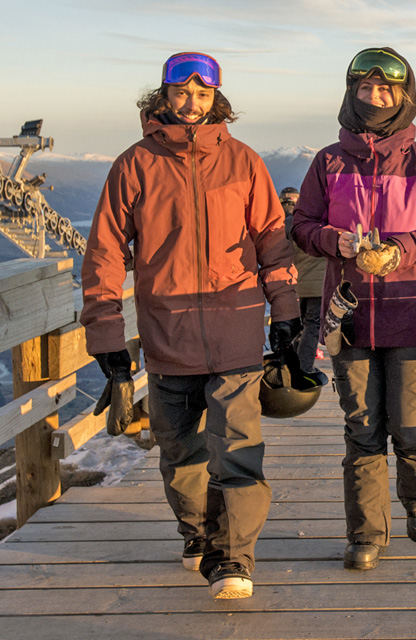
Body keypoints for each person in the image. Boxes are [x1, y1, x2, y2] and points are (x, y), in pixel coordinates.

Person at [80, 52, 300, 600]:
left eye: (203, 94)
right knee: (180, 456)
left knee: (238, 446)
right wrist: (107, 338)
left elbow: (274, 242)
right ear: (164, 96)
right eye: (183, 92)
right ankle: (197, 532)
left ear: (216, 99)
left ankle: (234, 558)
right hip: (167, 335)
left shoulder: (245, 162)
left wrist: (286, 311)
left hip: (237, 329)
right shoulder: (134, 164)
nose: (192, 102)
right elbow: (105, 253)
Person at [291, 47, 416, 571]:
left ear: (404, 96)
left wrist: (402, 251)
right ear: (351, 94)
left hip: (412, 310)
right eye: (366, 88)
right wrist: (336, 242)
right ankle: (365, 534)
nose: (375, 96)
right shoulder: (328, 161)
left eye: (386, 89)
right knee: (362, 424)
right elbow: (300, 226)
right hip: (350, 316)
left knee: (410, 421)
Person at [281, 186, 327, 373]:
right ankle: (304, 367)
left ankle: (289, 366)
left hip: (292, 285)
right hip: (317, 286)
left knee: (294, 326)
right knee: (312, 325)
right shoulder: (316, 222)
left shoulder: (283, 225)